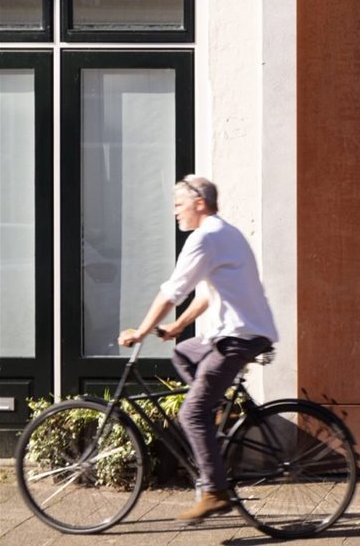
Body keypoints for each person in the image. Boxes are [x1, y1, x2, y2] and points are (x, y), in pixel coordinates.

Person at [119, 175, 278, 526]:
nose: (175, 211)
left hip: (238, 336)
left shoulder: (204, 237)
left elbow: (173, 291)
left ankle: (214, 491)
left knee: (190, 414)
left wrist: (141, 331)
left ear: (200, 203)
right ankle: (213, 414)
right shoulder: (225, 234)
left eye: (179, 204)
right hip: (238, 332)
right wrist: (177, 327)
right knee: (183, 352)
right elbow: (207, 293)